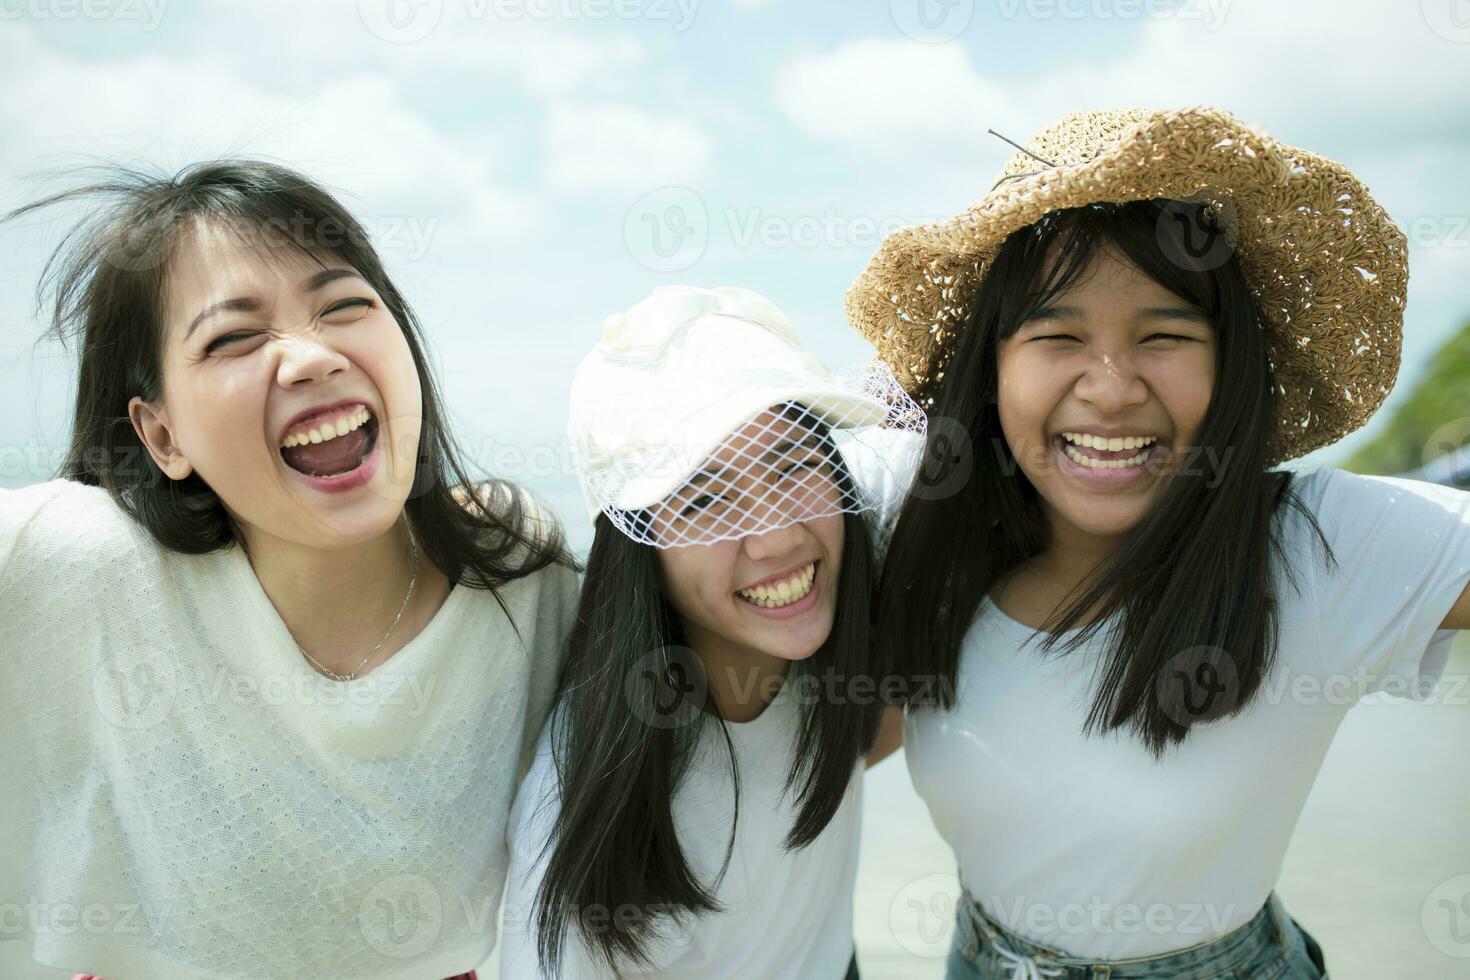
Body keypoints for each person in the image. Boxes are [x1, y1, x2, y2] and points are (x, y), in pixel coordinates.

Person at [850, 107, 1470, 978]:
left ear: (1232, 365)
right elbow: (820, 755)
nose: (1110, 389)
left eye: (1165, 336)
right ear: (990, 372)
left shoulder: (1317, 543)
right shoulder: (936, 550)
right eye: (1057, 336)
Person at [0, 160, 579, 980]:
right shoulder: (76, 560)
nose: (309, 357)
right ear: (161, 436)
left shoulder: (517, 571)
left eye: (344, 306)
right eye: (233, 337)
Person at [499, 285, 923, 979]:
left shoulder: (855, 555)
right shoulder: (589, 822)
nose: (777, 537)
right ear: (641, 549)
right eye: (704, 499)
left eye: (792, 465)